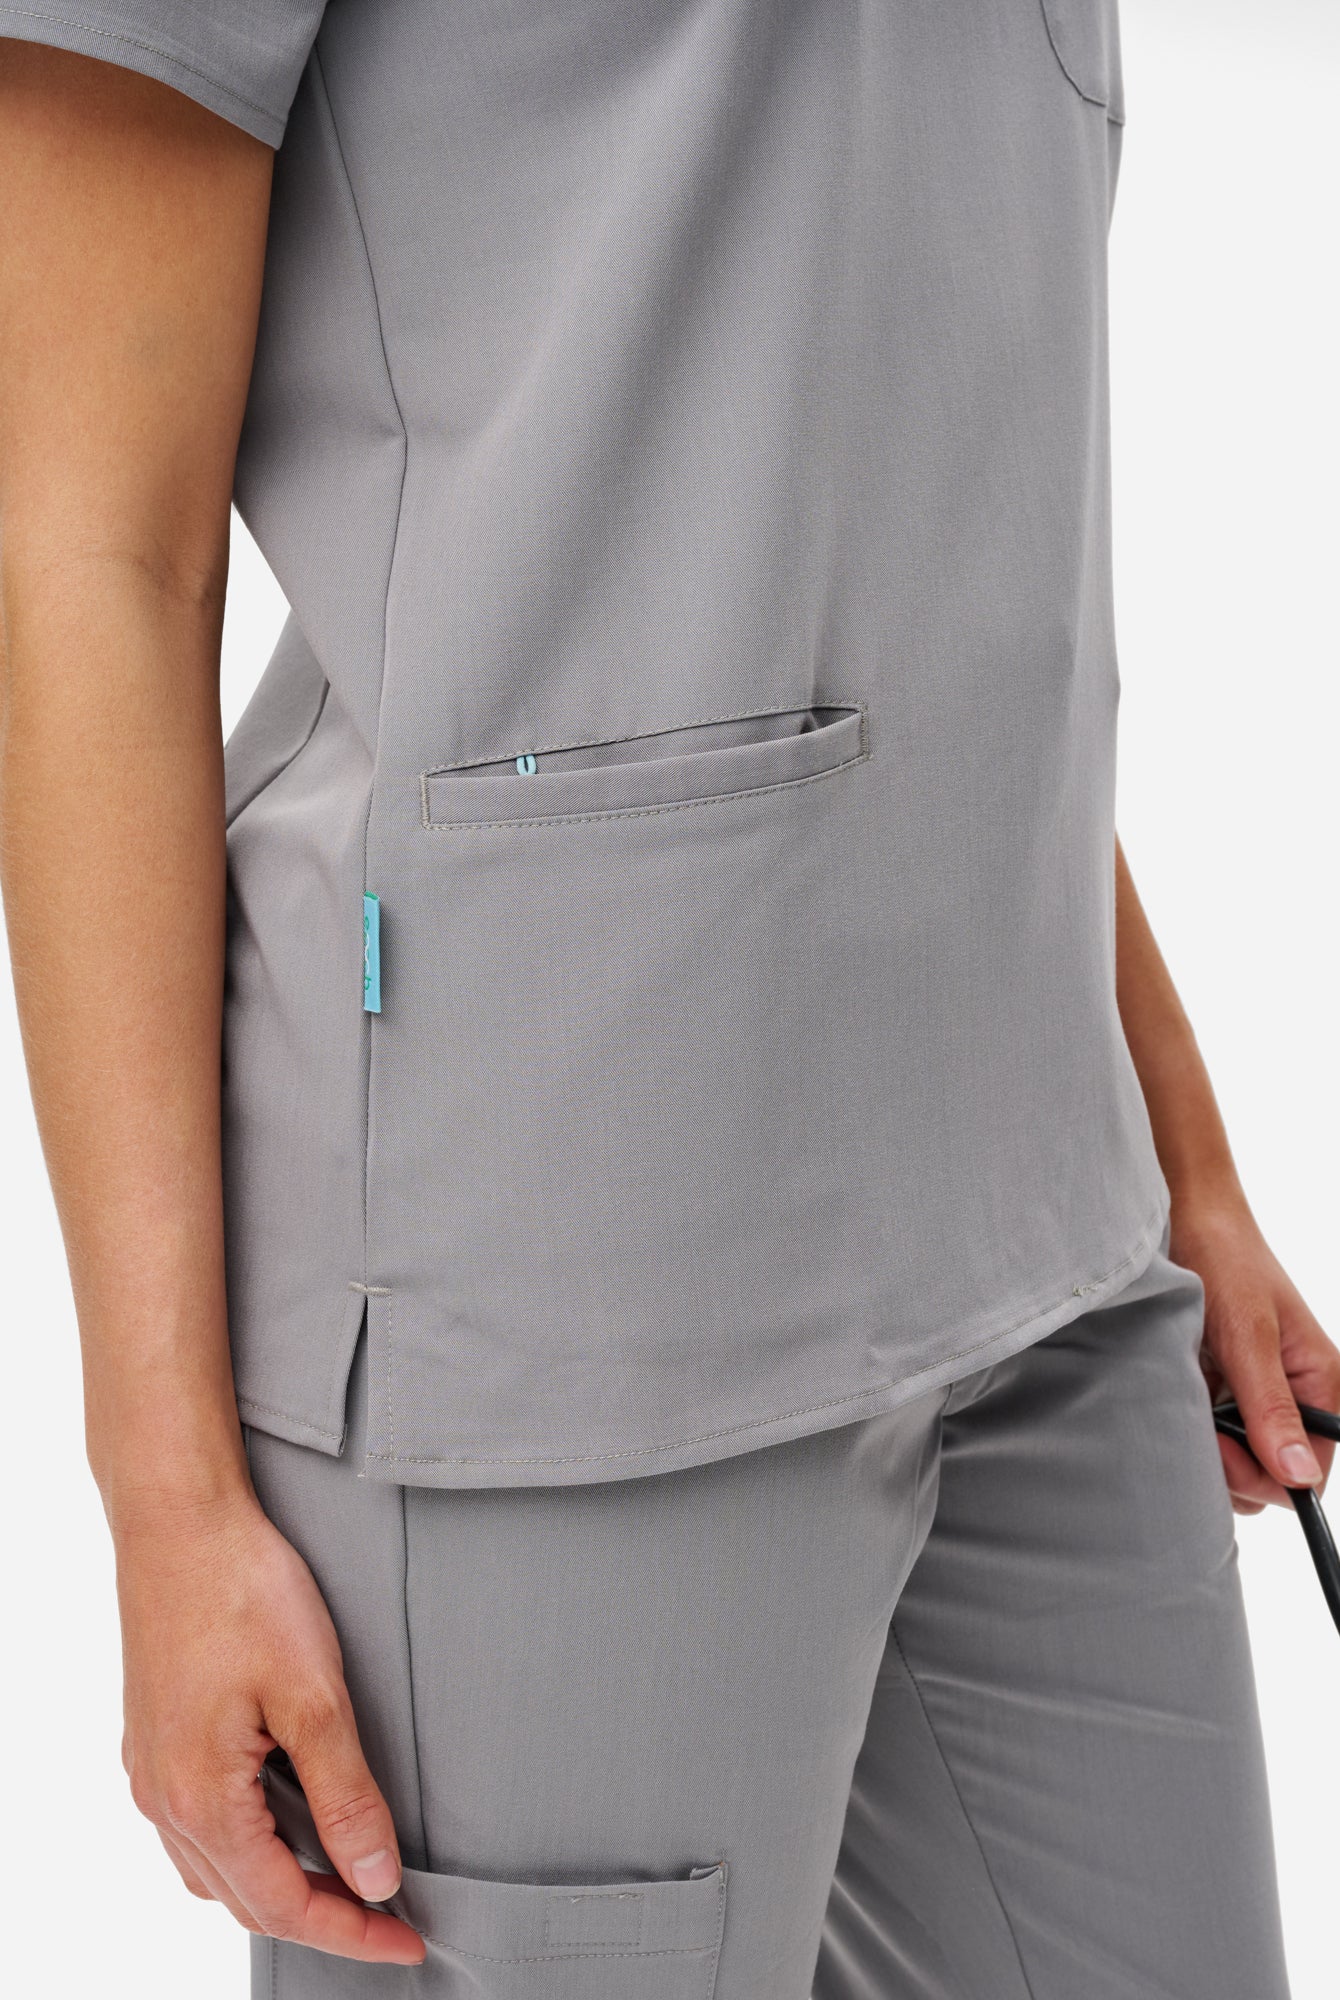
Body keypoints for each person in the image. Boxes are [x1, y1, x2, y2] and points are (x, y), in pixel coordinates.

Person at [0, 7, 1334, 1996]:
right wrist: (163, 1491)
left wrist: (1178, 1154)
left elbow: (889, 523)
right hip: (571, 1294)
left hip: (1045, 1242)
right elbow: (94, 549)